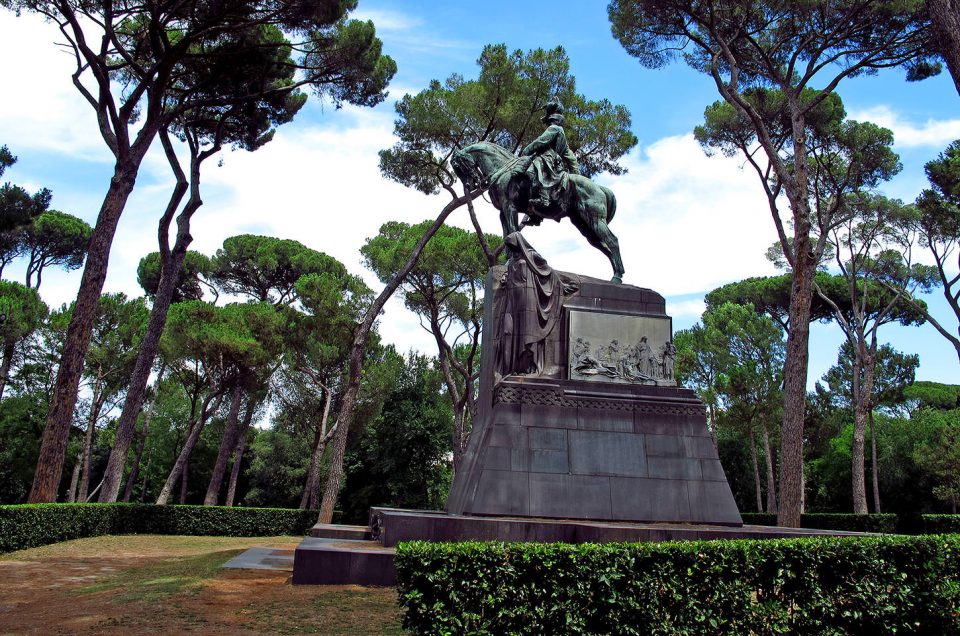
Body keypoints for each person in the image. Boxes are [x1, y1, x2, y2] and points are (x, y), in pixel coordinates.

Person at [520, 99, 580, 213]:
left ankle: (544, 200)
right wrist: (576, 173)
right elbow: (570, 156)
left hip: (547, 160)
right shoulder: (562, 133)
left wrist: (527, 150)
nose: (548, 123)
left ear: (553, 120)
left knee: (531, 171)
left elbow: (541, 141)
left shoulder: (554, 128)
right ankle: (533, 214)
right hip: (555, 163)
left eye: (549, 121)